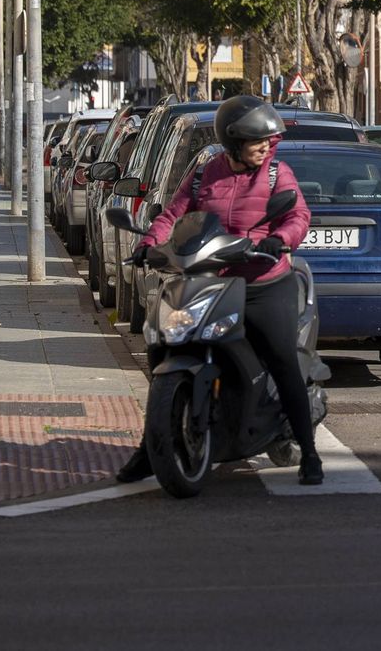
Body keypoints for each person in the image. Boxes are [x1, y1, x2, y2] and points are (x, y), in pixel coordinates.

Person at [115, 95, 326, 486]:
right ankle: (152, 447)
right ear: (233, 143)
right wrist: (148, 244)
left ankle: (309, 453)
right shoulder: (203, 174)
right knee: (165, 346)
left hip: (263, 281)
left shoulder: (278, 175)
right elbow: (175, 213)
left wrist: (280, 239)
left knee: (281, 359)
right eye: (256, 141)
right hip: (209, 279)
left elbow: (298, 214)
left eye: (269, 140)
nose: (266, 146)